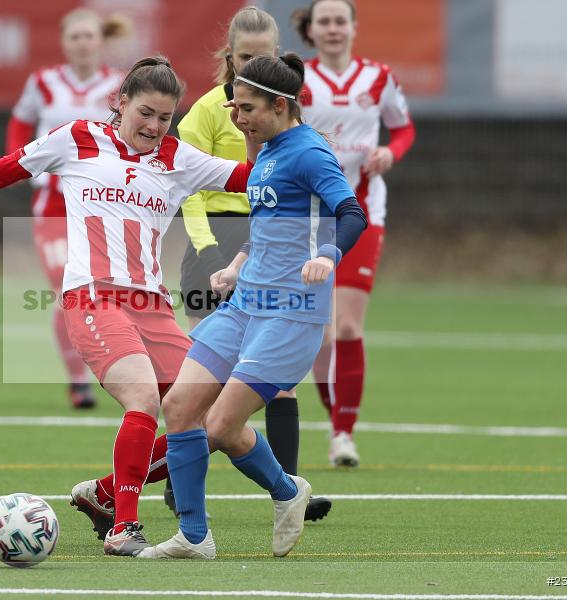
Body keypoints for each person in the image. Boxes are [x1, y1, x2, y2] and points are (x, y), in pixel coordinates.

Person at [0, 56, 259, 557]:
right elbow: (4, 170)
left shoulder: (179, 157)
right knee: (144, 400)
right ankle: (124, 528)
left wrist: (265, 133)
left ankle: (107, 492)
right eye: (146, 113)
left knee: (207, 416)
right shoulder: (76, 138)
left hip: (153, 307)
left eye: (164, 118)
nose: (155, 127)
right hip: (93, 296)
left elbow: (252, 178)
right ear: (121, 103)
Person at [138, 54, 367, 559]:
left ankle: (286, 492)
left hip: (290, 314)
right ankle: (194, 537)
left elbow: (352, 213)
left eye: (246, 108)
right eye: (235, 107)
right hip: (244, 304)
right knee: (178, 407)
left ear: (280, 105)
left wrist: (328, 255)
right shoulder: (264, 151)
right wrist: (238, 263)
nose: (238, 118)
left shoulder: (309, 153)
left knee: (221, 425)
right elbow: (270, 229)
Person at [170, 5, 330, 522]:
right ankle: (181, 492)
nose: (251, 69)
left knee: (275, 384)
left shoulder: (282, 117)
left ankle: (286, 489)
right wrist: (210, 249)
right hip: (212, 240)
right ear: (227, 57)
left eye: (262, 58)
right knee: (198, 389)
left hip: (268, 245)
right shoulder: (209, 111)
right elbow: (187, 186)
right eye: (243, 59)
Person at [292, 0, 415, 466]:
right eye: (324, 21)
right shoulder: (297, 77)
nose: (333, 29)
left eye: (340, 21)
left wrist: (390, 153)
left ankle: (343, 433)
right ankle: (334, 417)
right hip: (309, 215)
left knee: (346, 325)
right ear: (313, 29)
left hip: (363, 210)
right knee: (320, 336)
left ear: (354, 27)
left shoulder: (379, 78)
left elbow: (404, 130)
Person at [6, 9, 128, 410]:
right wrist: (19, 163)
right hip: (54, 204)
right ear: (64, 42)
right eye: (74, 36)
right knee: (65, 289)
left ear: (100, 41)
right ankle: (78, 380)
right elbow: (20, 122)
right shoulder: (43, 82)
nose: (82, 43)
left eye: (88, 36)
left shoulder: (117, 85)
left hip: (101, 206)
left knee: (108, 290)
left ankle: (115, 365)